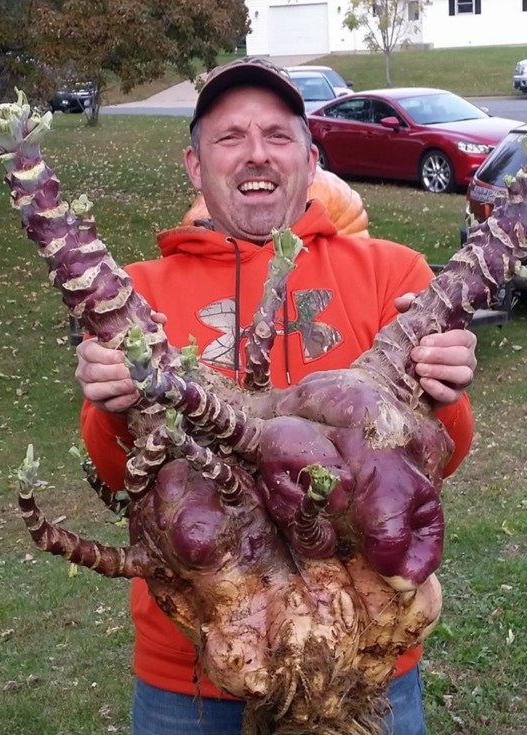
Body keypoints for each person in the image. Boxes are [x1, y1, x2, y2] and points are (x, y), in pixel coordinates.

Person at [75, 56, 477, 735]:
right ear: (195, 166)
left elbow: (437, 465)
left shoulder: (393, 273)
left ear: (310, 159)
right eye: (230, 136)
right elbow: (122, 480)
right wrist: (111, 406)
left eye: (277, 135)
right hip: (194, 673)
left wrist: (443, 394)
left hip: (371, 652)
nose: (256, 153)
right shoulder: (139, 297)